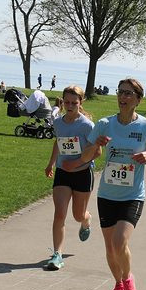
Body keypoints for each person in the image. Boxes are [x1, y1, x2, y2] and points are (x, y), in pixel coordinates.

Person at [64, 78, 146, 290]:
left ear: (138, 99)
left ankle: (128, 280)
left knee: (120, 242)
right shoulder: (104, 124)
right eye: (121, 93)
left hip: (132, 194)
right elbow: (88, 155)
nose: (123, 97)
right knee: (110, 248)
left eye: (129, 94)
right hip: (107, 193)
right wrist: (95, 145)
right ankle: (118, 284)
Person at [42, 85, 95, 271]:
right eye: (67, 102)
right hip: (62, 172)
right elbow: (58, 142)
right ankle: (57, 254)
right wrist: (51, 163)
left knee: (78, 215)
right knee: (59, 213)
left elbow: (97, 152)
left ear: (80, 103)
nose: (70, 106)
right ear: (62, 102)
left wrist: (77, 163)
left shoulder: (87, 126)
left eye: (74, 103)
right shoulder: (58, 122)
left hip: (82, 173)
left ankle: (87, 220)